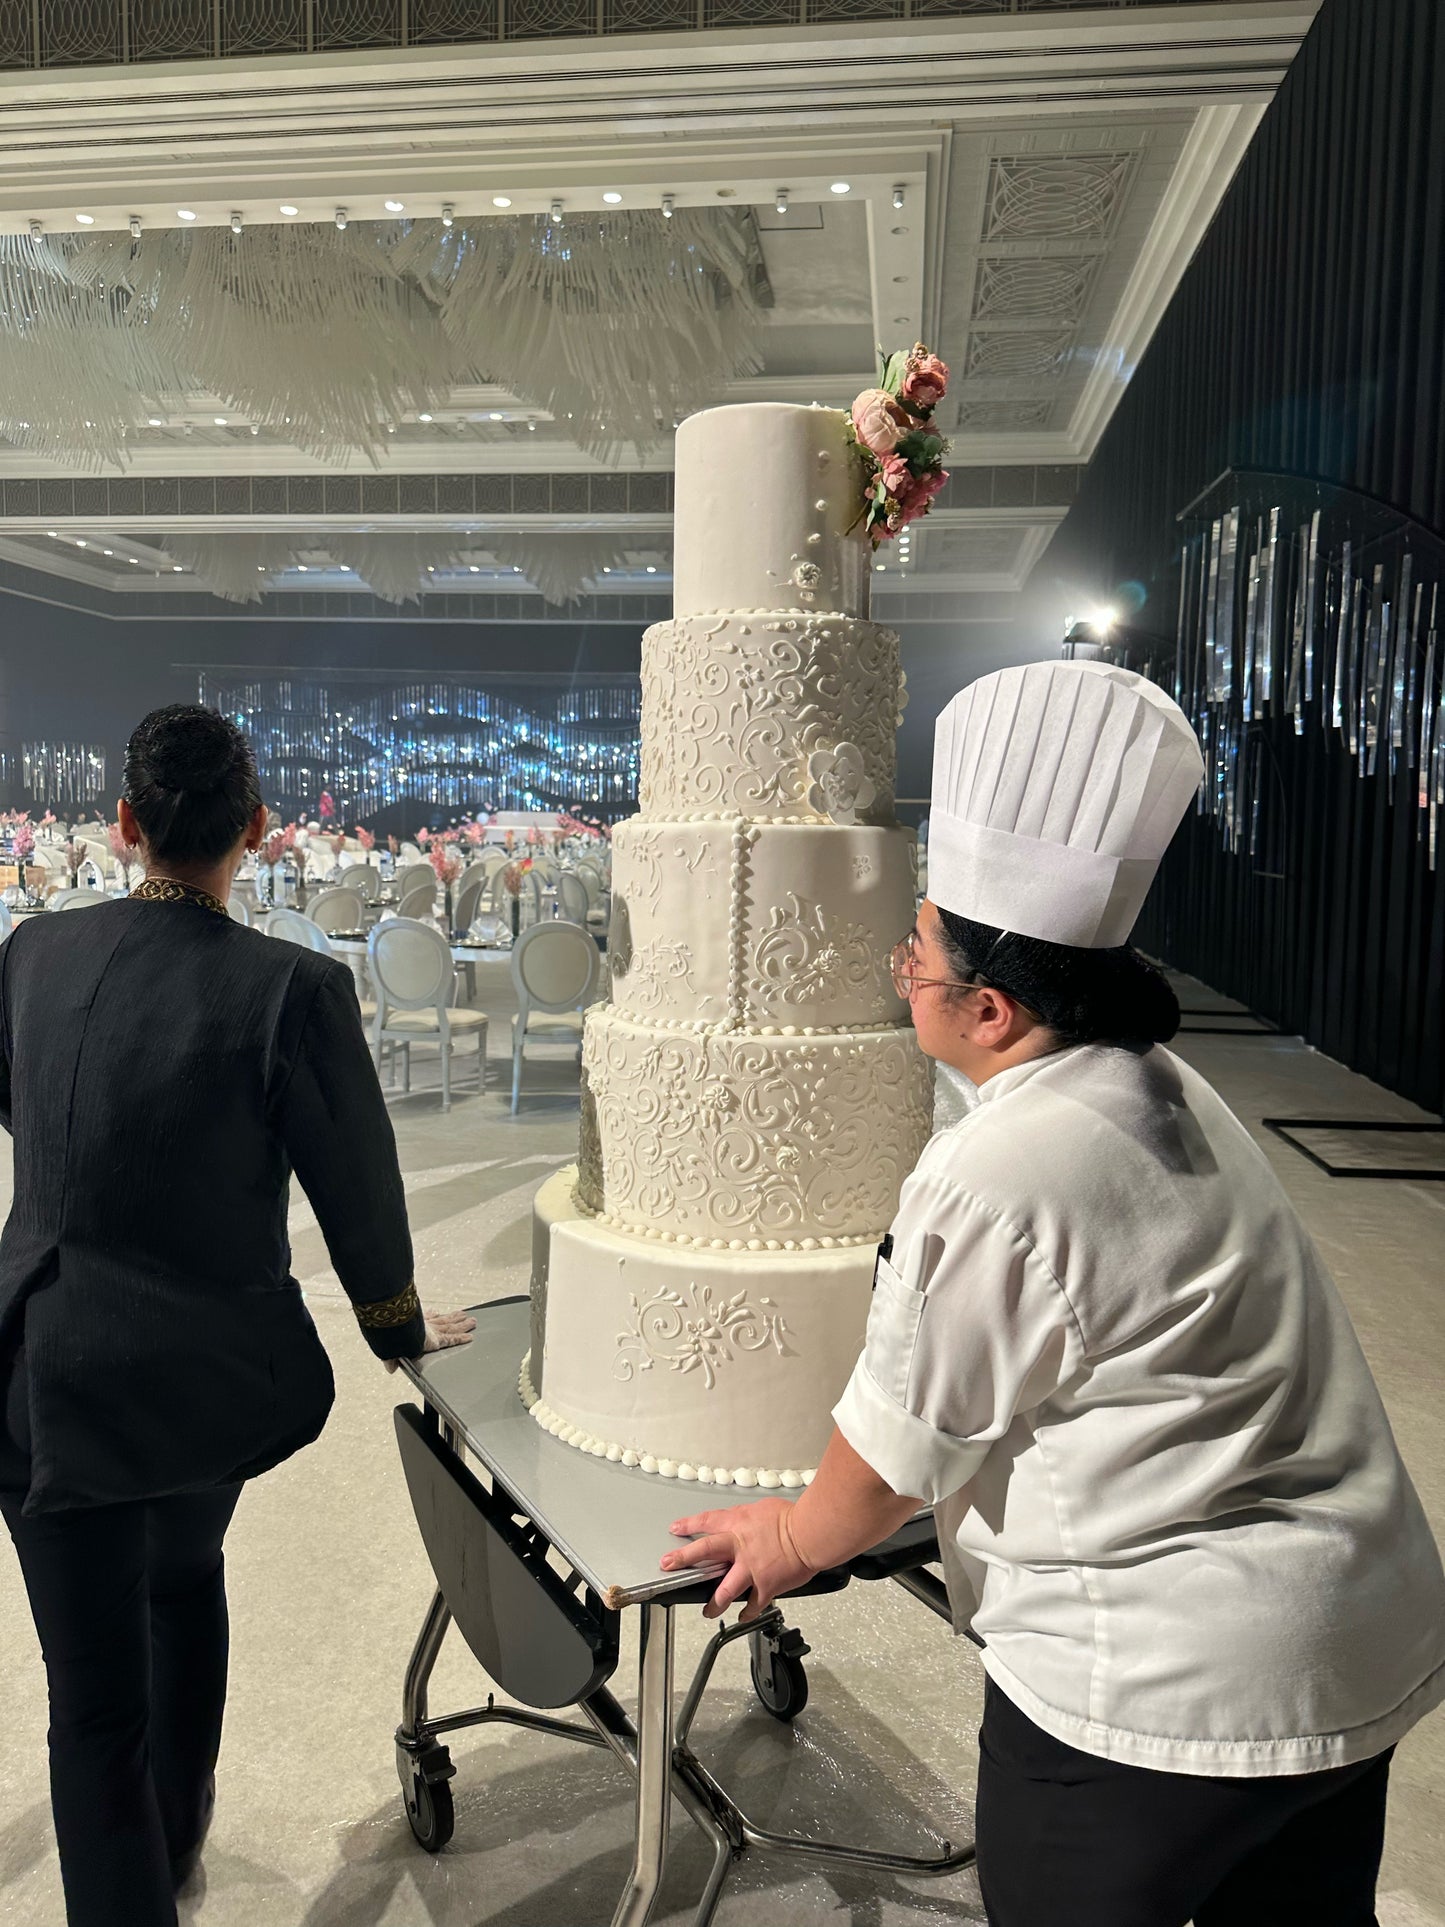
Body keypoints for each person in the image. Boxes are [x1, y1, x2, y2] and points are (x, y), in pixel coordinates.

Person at [661, 660, 1445, 1927]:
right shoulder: (1164, 1084)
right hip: (1351, 1633)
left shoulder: (992, 1168)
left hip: (1162, 1689)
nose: (897, 969)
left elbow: (899, 1449)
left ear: (986, 1006)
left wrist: (791, 1539)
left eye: (914, 952)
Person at [0, 705, 473, 1926]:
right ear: (256, 829)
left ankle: (145, 1868)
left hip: (40, 1365)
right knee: (185, 1571)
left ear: (123, 823)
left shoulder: (32, 952)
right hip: (198, 1373)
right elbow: (357, 1187)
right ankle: (175, 1831)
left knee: (90, 1706)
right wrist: (396, 1323)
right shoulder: (289, 989)